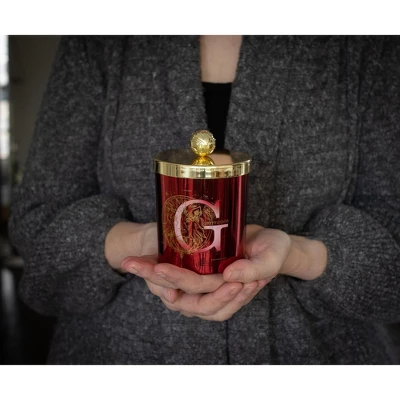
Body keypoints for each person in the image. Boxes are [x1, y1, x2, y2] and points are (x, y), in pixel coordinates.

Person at [9, 35, 400, 364]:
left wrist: (300, 255)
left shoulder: (365, 40)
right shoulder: (100, 37)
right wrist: (141, 241)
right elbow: (38, 224)